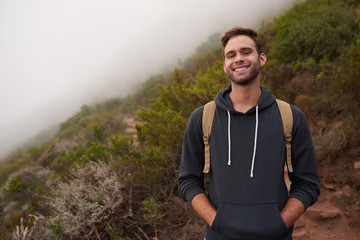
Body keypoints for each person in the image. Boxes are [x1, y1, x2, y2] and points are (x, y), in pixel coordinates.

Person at [178, 27, 321, 240]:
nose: (238, 59)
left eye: (246, 52)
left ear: (261, 58)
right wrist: (216, 221)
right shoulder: (202, 118)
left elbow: (308, 183)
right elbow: (188, 180)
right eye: (231, 55)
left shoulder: (290, 116)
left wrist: (280, 223)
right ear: (225, 64)